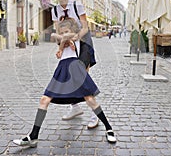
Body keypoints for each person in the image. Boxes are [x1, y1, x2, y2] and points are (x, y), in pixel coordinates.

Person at [12, 18, 117, 147]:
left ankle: (109, 128)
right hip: (61, 69)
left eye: (66, 31)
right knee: (44, 100)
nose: (64, 34)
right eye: (62, 32)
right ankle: (33, 136)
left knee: (90, 99)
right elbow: (54, 36)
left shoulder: (77, 37)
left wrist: (63, 40)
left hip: (75, 69)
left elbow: (67, 36)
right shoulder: (63, 40)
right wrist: (61, 41)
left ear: (73, 30)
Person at [42, 0, 99, 129]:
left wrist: (75, 37)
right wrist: (61, 45)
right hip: (68, 43)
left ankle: (95, 114)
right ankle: (75, 108)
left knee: (82, 78)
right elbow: (58, 30)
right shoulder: (55, 10)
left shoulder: (77, 5)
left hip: (84, 42)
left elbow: (86, 28)